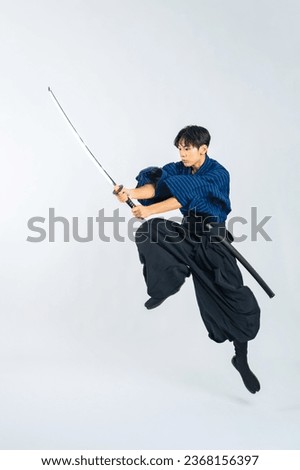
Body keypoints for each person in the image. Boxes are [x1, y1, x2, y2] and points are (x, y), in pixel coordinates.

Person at [113, 125, 261, 394]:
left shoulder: (217, 174)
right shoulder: (178, 168)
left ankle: (240, 358)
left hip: (214, 240)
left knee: (233, 295)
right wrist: (130, 194)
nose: (182, 152)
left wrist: (148, 210)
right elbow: (156, 186)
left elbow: (185, 195)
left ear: (203, 148)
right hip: (188, 234)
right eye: (179, 147)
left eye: (187, 148)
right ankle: (165, 285)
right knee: (151, 231)